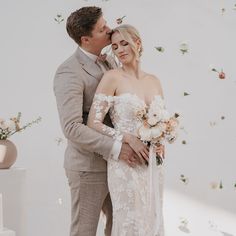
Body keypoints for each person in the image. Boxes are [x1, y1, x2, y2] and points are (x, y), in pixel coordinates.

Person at [53, 7, 142, 236]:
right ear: (85, 39)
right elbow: (72, 128)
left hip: (119, 168)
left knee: (119, 227)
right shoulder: (69, 72)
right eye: (102, 29)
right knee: (85, 231)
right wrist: (116, 149)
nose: (109, 29)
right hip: (88, 168)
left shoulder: (108, 62)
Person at [87, 24, 165, 235]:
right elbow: (93, 123)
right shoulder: (112, 77)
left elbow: (160, 122)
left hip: (152, 165)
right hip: (126, 163)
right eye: (114, 46)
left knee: (152, 219)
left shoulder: (154, 81)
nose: (120, 50)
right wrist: (127, 138)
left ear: (137, 43)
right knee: (131, 222)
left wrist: (161, 145)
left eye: (124, 43)